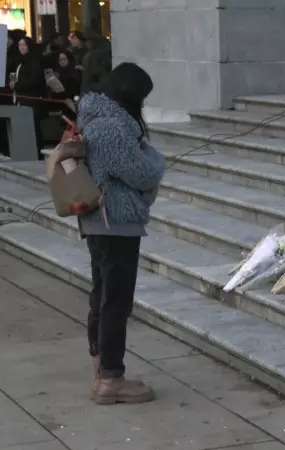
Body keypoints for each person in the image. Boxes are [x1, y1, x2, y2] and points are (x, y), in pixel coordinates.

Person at [78, 62, 165, 405]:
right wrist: (155, 158)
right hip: (116, 222)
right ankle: (112, 377)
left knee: (102, 293)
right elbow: (144, 173)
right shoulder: (112, 129)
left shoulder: (93, 118)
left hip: (99, 219)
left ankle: (101, 372)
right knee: (116, 300)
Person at [10, 37, 47, 155]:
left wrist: (16, 85)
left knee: (33, 126)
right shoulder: (22, 61)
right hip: (22, 98)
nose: (21, 48)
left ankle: (38, 151)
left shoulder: (34, 61)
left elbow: (34, 80)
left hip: (32, 99)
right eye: (20, 45)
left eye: (24, 45)